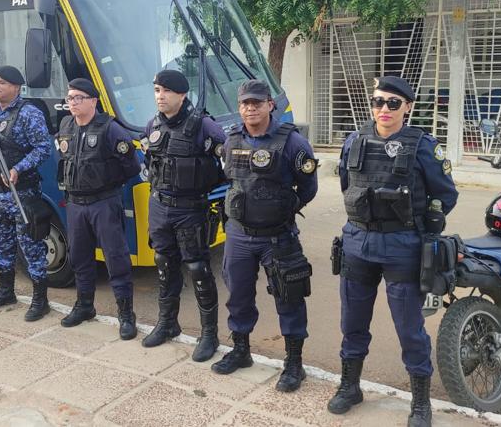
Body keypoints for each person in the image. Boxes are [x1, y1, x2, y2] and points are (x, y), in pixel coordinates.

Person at [328, 76, 458, 427]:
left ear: (408, 108)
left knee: (409, 327)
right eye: (378, 101)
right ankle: (350, 386)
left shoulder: (424, 146)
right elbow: (347, 183)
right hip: (357, 242)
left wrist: (430, 217)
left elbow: (446, 194)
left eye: (392, 103)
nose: (383, 109)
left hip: (402, 245)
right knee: (352, 322)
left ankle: (420, 403)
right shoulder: (354, 140)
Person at [212, 80, 318, 393]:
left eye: (257, 102)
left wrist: (284, 208)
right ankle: (241, 350)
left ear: (270, 105)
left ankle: (294, 363)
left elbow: (308, 187)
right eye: (245, 103)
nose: (251, 108)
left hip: (278, 237)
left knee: (290, 297)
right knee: (239, 295)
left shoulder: (293, 142)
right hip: (239, 235)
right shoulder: (232, 140)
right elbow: (229, 179)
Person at [140, 69, 226, 360]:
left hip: (191, 208)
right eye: (156, 90)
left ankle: (209, 334)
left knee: (198, 268)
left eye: (166, 91)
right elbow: (147, 161)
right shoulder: (153, 125)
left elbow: (229, 160)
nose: (160, 96)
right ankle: (167, 323)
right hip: (160, 206)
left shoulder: (203, 126)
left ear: (182, 94)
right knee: (164, 263)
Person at [55, 78, 141, 339]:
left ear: (93, 100)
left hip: (104, 203)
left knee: (116, 259)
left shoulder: (110, 129)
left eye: (79, 97)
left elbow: (131, 165)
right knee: (80, 257)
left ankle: (126, 314)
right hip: (76, 204)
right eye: (70, 98)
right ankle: (84, 305)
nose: (73, 102)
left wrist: (108, 184)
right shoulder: (66, 124)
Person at [0, 65, 52, 320]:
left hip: (22, 193)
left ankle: (40, 299)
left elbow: (43, 148)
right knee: (2, 245)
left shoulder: (29, 113)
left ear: (16, 87)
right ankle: (6, 290)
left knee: (30, 246)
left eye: (2, 82)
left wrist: (18, 168)